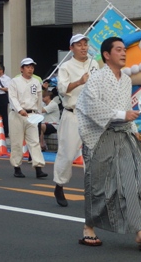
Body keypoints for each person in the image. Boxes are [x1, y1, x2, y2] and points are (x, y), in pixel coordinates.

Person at [75, 36, 141, 250]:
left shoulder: (126, 79)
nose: (124, 53)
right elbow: (90, 106)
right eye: (119, 50)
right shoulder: (96, 78)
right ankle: (89, 227)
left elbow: (126, 110)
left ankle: (140, 232)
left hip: (123, 135)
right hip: (100, 136)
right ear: (106, 54)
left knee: (132, 181)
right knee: (98, 184)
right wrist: (123, 114)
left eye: (124, 50)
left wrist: (135, 130)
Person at [53, 34, 99, 207]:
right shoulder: (65, 67)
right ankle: (59, 184)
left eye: (85, 44)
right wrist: (79, 81)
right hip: (72, 114)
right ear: (72, 48)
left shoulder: (94, 64)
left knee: (93, 155)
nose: (83, 47)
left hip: (90, 116)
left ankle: (93, 191)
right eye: (79, 45)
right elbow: (62, 89)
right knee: (67, 153)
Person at [8, 58, 47, 179]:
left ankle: (38, 167)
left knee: (34, 141)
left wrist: (39, 113)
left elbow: (39, 99)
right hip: (17, 114)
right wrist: (20, 109)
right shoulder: (14, 81)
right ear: (22, 68)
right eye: (27, 67)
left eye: (32, 67)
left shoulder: (36, 82)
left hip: (32, 114)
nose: (30, 69)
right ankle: (17, 167)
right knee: (17, 142)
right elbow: (12, 98)